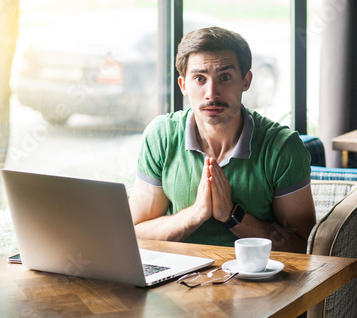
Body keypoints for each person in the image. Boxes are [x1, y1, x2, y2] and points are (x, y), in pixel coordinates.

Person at [129, 26, 316, 253]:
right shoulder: (161, 136)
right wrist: (194, 215)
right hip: (177, 281)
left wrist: (231, 215)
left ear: (246, 81)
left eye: (225, 77)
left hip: (256, 282)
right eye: (199, 78)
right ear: (183, 85)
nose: (212, 93)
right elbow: (136, 232)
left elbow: (301, 247)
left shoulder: (282, 148)